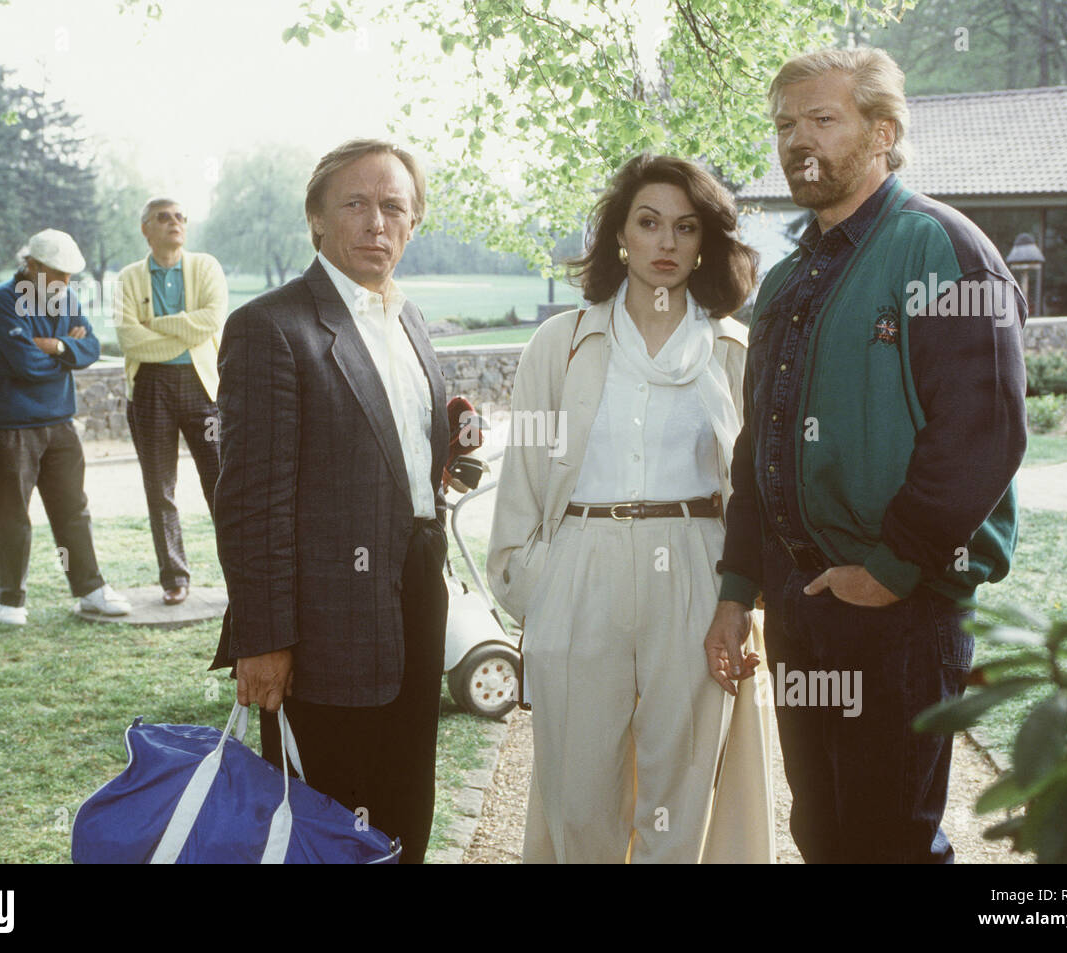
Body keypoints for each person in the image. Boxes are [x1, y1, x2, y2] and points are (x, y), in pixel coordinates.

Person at [705, 47, 1027, 863]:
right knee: (823, 830)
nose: (796, 139)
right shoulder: (784, 280)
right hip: (802, 602)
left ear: (883, 132)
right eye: (784, 123)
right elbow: (760, 445)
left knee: (891, 841)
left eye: (823, 119)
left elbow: (982, 433)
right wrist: (739, 587)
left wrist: (892, 567)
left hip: (901, 609)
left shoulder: (941, 249)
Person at [487, 154, 774, 864]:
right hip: (582, 561)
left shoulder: (733, 349)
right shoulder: (562, 345)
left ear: (705, 240)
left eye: (685, 226)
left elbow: (760, 490)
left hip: (697, 564)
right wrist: (537, 589)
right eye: (648, 223)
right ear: (620, 235)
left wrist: (745, 597)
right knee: (580, 792)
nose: (666, 243)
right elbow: (523, 476)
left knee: (681, 788)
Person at [209, 139, 450, 865]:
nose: (377, 222)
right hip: (320, 629)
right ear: (316, 220)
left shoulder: (407, 320)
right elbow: (251, 500)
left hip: (414, 604)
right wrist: (262, 638)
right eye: (356, 203)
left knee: (406, 803)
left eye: (394, 207)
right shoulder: (270, 329)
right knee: (321, 819)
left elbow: (389, 449)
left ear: (412, 225)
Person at [0, 228, 133, 625]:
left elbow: (92, 348)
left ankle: (90, 590)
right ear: (31, 266)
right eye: (58, 273)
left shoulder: (68, 298)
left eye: (70, 275)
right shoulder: (2, 302)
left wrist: (58, 345)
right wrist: (66, 351)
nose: (66, 283)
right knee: (13, 513)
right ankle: (9, 600)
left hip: (60, 422)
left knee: (73, 510)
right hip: (11, 425)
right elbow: (24, 366)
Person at [113, 198, 227, 605]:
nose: (175, 223)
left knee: (221, 484)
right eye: (164, 218)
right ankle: (174, 577)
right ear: (146, 228)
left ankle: (240, 577)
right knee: (160, 488)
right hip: (149, 389)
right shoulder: (127, 278)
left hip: (202, 386)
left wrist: (157, 327)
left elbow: (210, 323)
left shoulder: (206, 267)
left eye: (181, 216)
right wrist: (180, 330)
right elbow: (129, 339)